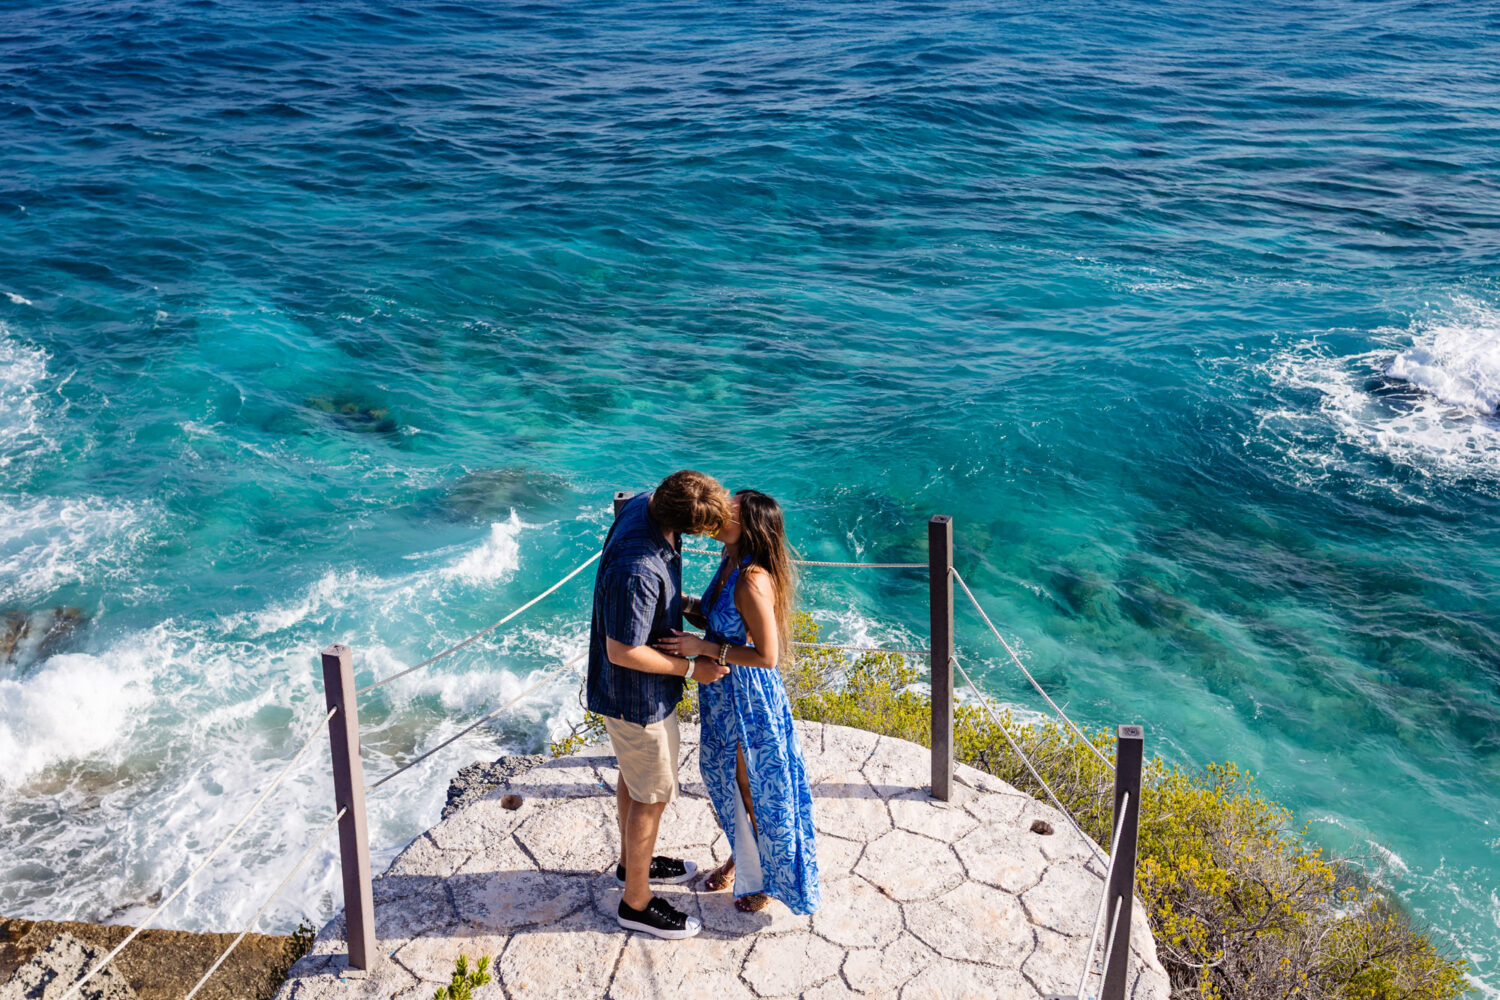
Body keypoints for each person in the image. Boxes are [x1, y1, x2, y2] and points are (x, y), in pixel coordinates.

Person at [655, 490, 820, 915]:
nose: (718, 511)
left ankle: (764, 878)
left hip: (747, 697)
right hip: (722, 693)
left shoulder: (751, 579)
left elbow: (767, 656)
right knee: (727, 780)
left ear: (748, 527)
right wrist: (681, 604)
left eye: (728, 511)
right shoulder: (729, 560)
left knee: (751, 789)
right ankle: (745, 858)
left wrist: (702, 648)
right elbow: (721, 620)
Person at [587, 470, 732, 940]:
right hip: (637, 697)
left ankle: (631, 864)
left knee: (636, 779)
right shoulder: (638, 568)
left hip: (634, 692)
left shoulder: (647, 503)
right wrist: (692, 669)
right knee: (653, 794)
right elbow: (621, 650)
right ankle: (636, 902)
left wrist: (682, 602)